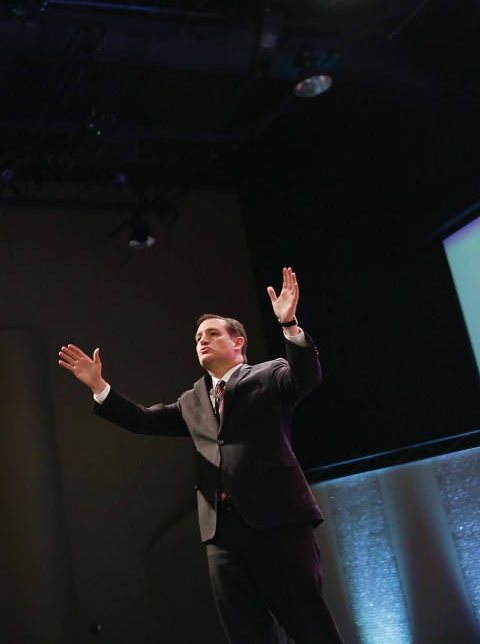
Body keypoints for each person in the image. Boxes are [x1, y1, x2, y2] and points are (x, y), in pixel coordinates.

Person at [58, 267, 344, 644]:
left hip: (277, 522)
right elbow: (143, 420)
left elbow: (305, 377)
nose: (202, 341)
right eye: (198, 338)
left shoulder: (269, 374)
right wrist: (99, 386)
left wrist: (289, 324)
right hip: (221, 533)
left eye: (212, 334)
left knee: (308, 624)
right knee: (245, 632)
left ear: (238, 343)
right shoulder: (191, 400)